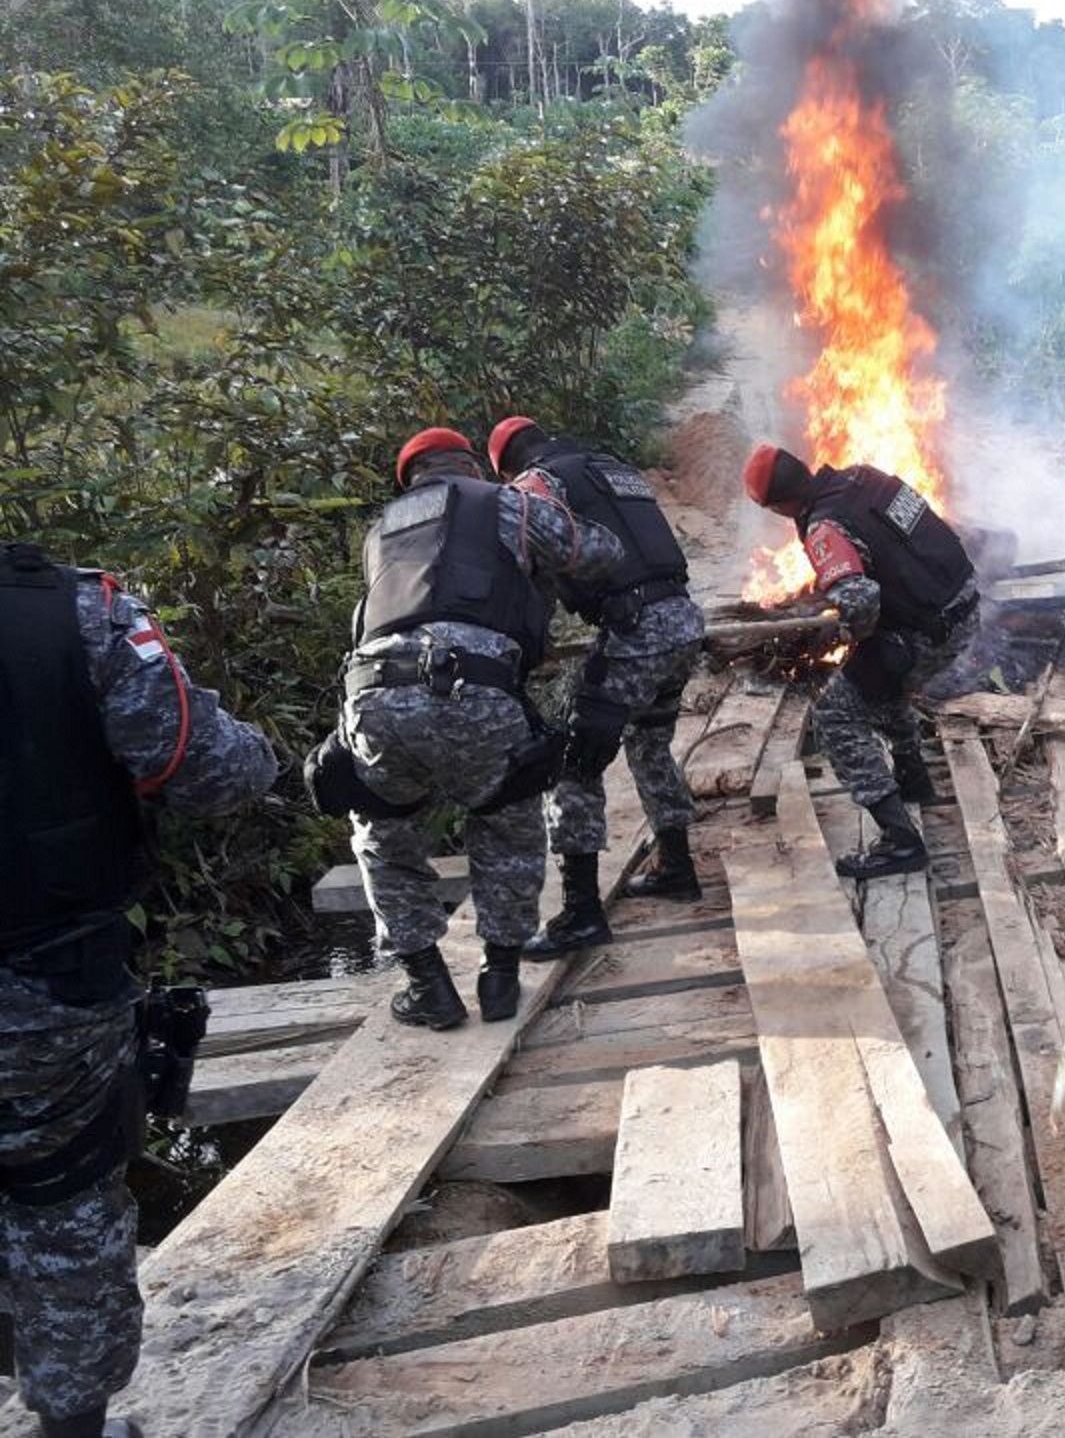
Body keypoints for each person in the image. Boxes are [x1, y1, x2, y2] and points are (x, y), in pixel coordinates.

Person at [1, 540, 277, 1438]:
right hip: (40, 986)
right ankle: (74, 1426)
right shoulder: (73, 615)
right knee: (63, 1197)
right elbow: (213, 772)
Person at [310, 428, 621, 1030]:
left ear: (411, 478)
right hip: (477, 689)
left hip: (374, 696)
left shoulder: (383, 531)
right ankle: (500, 976)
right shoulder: (509, 502)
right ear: (472, 467)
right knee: (507, 822)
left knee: (384, 834)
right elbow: (599, 553)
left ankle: (428, 985)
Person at [484, 418, 706, 959]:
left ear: (508, 466)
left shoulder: (536, 485)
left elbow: (536, 561)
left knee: (573, 759)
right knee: (648, 741)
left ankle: (581, 912)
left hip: (636, 628)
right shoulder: (613, 469)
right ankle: (676, 865)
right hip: (682, 620)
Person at [741, 444, 978, 880]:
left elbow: (861, 598)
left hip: (929, 630)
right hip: (961, 603)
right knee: (878, 678)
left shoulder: (824, 525)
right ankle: (913, 778)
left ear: (776, 506)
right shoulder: (864, 478)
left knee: (835, 713)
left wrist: (839, 635)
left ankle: (899, 842)